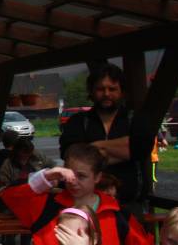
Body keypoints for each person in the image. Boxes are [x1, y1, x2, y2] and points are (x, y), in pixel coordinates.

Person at [0, 143, 154, 245]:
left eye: (81, 176)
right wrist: (46, 176)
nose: (73, 181)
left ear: (97, 177)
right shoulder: (47, 206)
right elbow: (9, 197)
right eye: (70, 174)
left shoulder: (117, 214)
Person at [59, 63, 153, 205]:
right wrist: (124, 149)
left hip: (130, 203)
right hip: (85, 205)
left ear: (122, 91)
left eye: (112, 89)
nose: (106, 94)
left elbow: (141, 149)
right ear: (91, 91)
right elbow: (70, 154)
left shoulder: (136, 120)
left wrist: (94, 147)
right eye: (100, 89)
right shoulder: (77, 121)